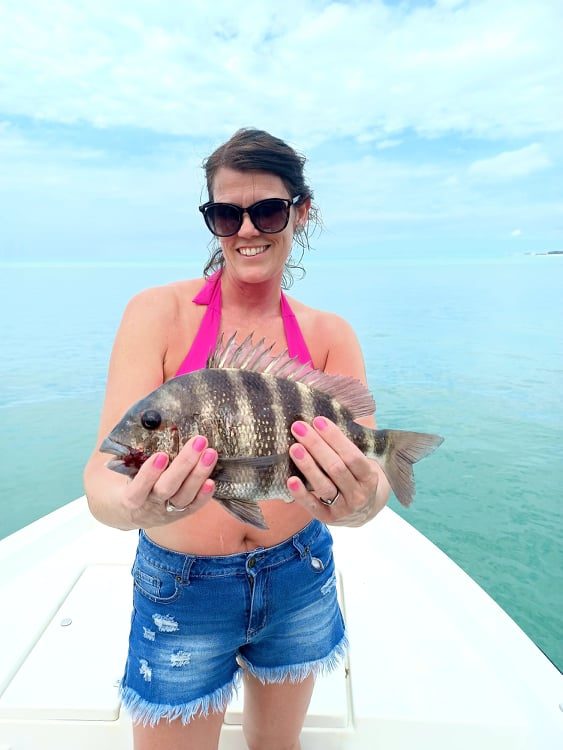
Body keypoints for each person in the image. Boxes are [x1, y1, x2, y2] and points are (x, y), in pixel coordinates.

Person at [84, 128, 391, 750]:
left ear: (300, 213)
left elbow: (373, 470)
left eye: (268, 209)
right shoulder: (156, 313)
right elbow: (100, 479)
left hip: (298, 572)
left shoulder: (331, 333)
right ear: (213, 222)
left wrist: (362, 503)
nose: (247, 229)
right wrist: (133, 509)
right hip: (182, 584)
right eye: (228, 213)